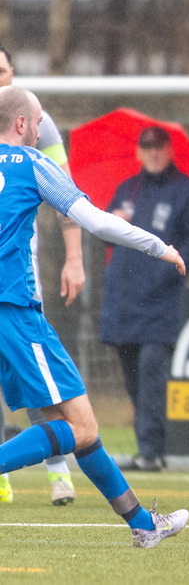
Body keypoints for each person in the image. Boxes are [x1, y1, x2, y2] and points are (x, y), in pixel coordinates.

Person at [0, 85, 189, 547]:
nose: (43, 128)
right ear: (22, 124)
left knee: (79, 427)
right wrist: (159, 246)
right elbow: (97, 221)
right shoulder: (34, 164)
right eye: (39, 119)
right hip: (14, 315)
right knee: (82, 426)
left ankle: (142, 525)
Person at [0, 44, 84, 506]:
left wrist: (74, 257)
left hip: (17, 274)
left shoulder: (39, 123)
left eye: (2, 70)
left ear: (13, 72)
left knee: (34, 372)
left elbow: (64, 193)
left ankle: (57, 471)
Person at [99, 125, 189, 472]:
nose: (153, 152)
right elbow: (102, 233)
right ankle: (145, 447)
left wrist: (167, 269)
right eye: (146, 146)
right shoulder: (126, 189)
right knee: (133, 377)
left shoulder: (187, 191)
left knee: (151, 372)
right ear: (138, 151)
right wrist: (110, 222)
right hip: (122, 301)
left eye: (158, 146)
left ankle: (152, 450)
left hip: (160, 303)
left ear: (169, 149)